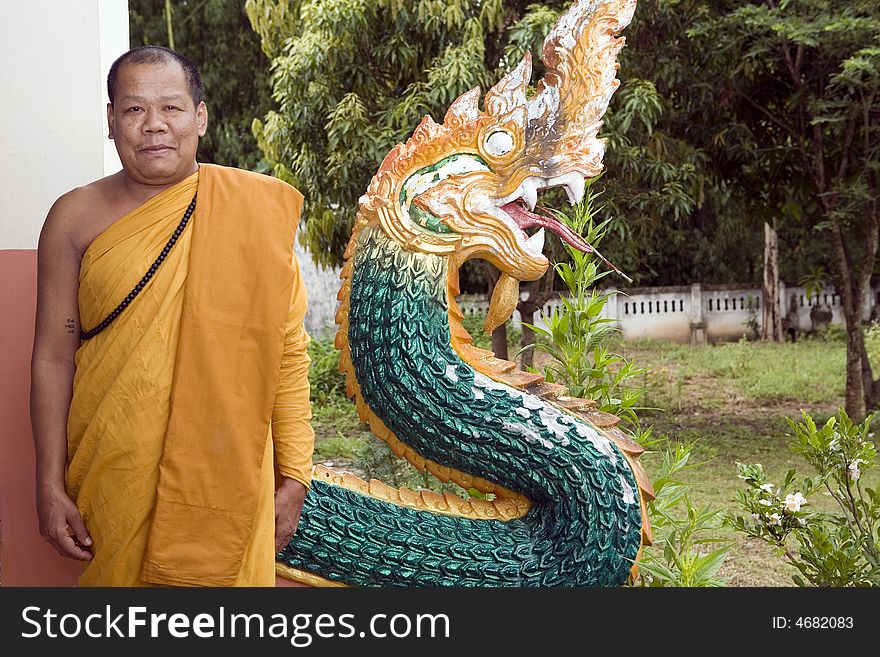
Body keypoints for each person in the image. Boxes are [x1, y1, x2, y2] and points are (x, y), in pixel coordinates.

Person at [30, 45, 314, 586]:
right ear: (111, 122)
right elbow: (52, 354)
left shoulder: (252, 213)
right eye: (134, 110)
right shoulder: (75, 217)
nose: (154, 125)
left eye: (172, 108)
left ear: (200, 117)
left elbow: (286, 351)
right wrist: (48, 480)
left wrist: (295, 475)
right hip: (116, 465)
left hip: (228, 471)